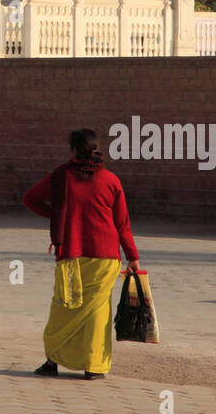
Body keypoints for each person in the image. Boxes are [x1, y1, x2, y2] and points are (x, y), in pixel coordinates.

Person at [23, 128, 141, 380]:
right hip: (106, 258)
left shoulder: (61, 177)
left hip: (71, 256)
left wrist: (58, 217)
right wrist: (133, 256)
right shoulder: (111, 180)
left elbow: (30, 198)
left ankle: (52, 361)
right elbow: (122, 224)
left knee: (63, 308)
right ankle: (94, 367)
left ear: (74, 150)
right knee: (98, 314)